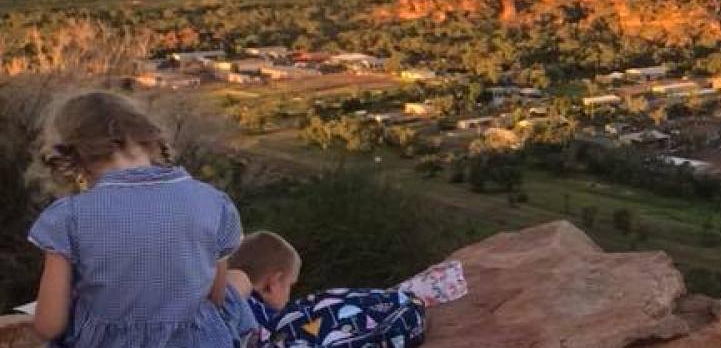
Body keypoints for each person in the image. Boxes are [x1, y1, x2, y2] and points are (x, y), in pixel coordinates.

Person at [27, 91, 244, 347]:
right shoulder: (213, 203)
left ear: (73, 156)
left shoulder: (69, 217)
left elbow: (50, 325)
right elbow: (216, 298)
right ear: (148, 136)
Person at [225, 231, 432, 348]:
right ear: (273, 283)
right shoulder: (263, 316)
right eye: (289, 285)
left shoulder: (224, 299)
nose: (289, 295)